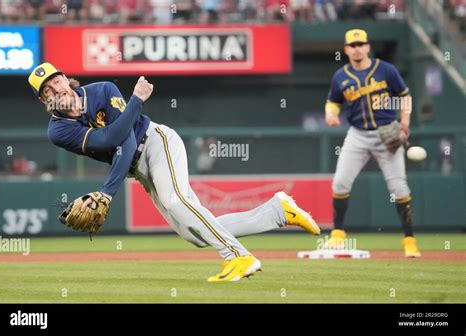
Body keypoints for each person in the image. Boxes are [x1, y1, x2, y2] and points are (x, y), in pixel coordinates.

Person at [28, 62, 321, 281]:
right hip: (137, 169)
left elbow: (125, 140)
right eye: (48, 90)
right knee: (192, 233)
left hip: (157, 142)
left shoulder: (102, 89)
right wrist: (136, 101)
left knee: (176, 202)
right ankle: (277, 212)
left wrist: (107, 192)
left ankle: (239, 257)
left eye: (56, 81)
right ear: (44, 101)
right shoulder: (58, 130)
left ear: (66, 78)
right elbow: (108, 140)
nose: (56, 90)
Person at [324, 29, 420, 257]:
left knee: (399, 188)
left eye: (361, 44)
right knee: (339, 184)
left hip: (387, 133)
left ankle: (409, 241)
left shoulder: (386, 70)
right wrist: (330, 114)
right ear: (346, 49)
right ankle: (338, 235)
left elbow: (405, 96)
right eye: (352, 45)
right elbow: (333, 101)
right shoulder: (341, 76)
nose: (357, 48)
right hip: (357, 134)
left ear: (367, 47)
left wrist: (405, 125)